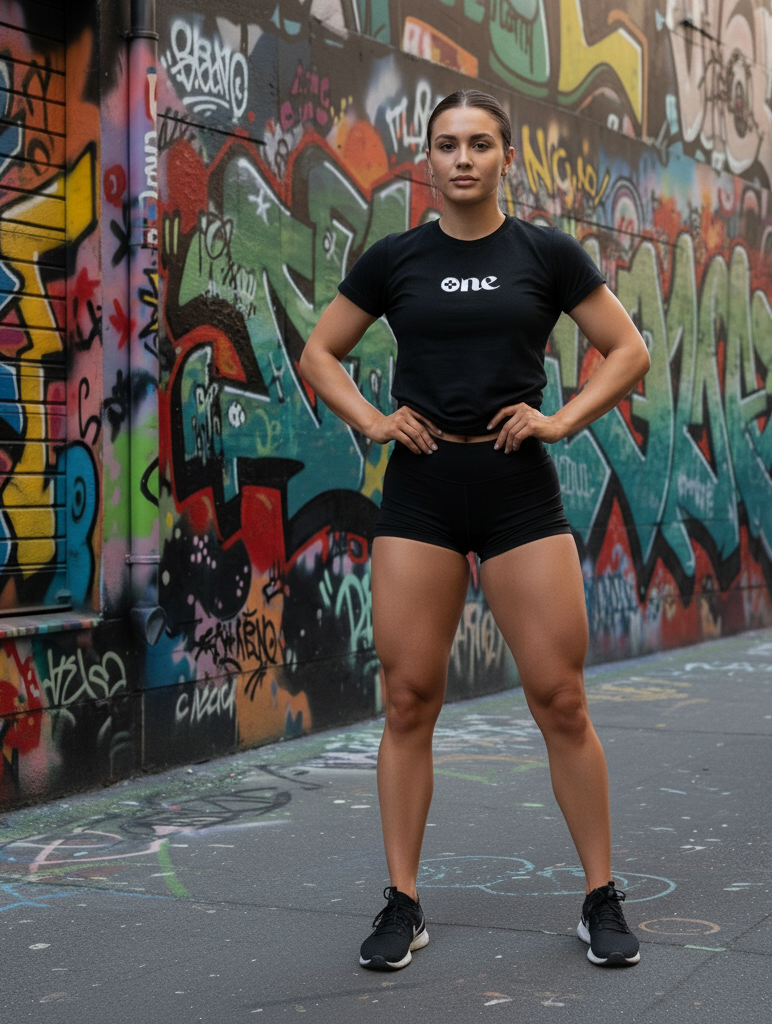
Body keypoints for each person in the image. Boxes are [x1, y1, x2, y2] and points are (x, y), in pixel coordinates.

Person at [300, 89, 651, 970]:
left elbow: (630, 350)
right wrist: (373, 422)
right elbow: (319, 352)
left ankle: (600, 897)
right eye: (448, 144)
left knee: (560, 698)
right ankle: (403, 902)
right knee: (408, 699)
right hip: (421, 489)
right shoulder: (396, 258)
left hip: (516, 489)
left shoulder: (545, 253)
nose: (463, 158)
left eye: (481, 144)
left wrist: (560, 421)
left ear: (506, 157)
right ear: (428, 157)